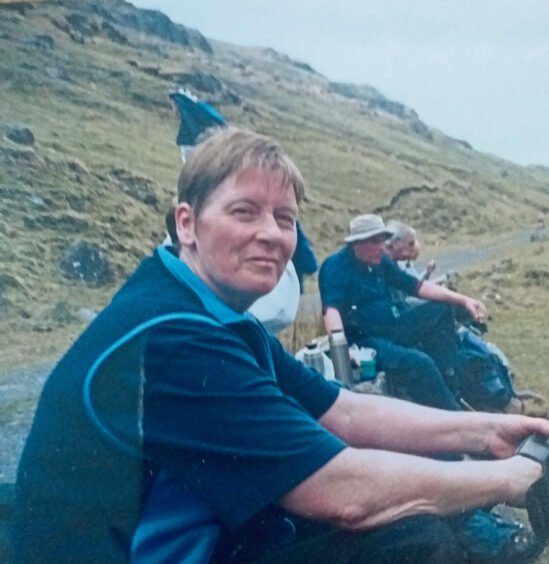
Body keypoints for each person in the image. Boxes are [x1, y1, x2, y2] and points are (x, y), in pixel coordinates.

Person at [13, 129, 549, 564]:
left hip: (210, 537)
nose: (271, 234)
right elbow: (344, 494)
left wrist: (488, 430)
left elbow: (344, 410)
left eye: (285, 218)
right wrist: (513, 478)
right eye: (245, 211)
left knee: (409, 533)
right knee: (405, 539)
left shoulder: (212, 312)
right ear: (187, 223)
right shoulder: (171, 336)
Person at [319, 213, 487, 411]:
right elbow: (331, 311)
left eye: (383, 239)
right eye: (375, 241)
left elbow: (415, 286)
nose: (382, 247)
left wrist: (463, 299)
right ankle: (457, 415)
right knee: (420, 362)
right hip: (364, 342)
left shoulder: (380, 260)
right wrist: (343, 351)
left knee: (442, 308)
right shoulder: (334, 267)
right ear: (357, 243)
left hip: (393, 327)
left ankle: (448, 381)